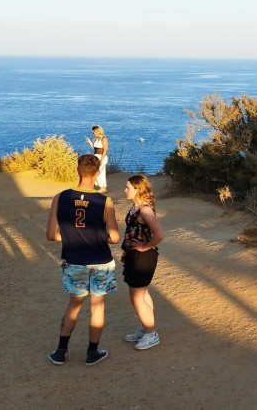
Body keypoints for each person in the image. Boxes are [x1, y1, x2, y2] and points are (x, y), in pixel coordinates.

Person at [46, 154, 121, 366]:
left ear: (77, 170)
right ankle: (92, 353)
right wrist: (96, 236)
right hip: (101, 261)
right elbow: (114, 238)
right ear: (97, 173)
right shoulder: (105, 202)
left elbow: (51, 235)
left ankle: (61, 351)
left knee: (74, 305)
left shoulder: (60, 198)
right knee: (97, 306)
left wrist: (71, 236)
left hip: (74, 260)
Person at [121, 175, 165, 350]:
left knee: (136, 296)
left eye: (128, 187)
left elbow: (159, 234)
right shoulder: (136, 206)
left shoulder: (145, 210)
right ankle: (147, 328)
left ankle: (151, 334)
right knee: (142, 293)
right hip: (134, 256)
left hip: (143, 258)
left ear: (138, 189)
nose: (125, 190)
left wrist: (145, 247)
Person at [84, 125, 109, 193]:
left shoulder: (104, 139)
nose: (93, 134)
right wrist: (89, 141)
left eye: (93, 132)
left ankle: (103, 187)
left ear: (97, 131)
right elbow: (95, 149)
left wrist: (101, 160)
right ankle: (102, 187)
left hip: (102, 157)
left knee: (97, 172)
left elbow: (105, 150)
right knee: (99, 172)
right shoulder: (96, 139)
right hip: (96, 157)